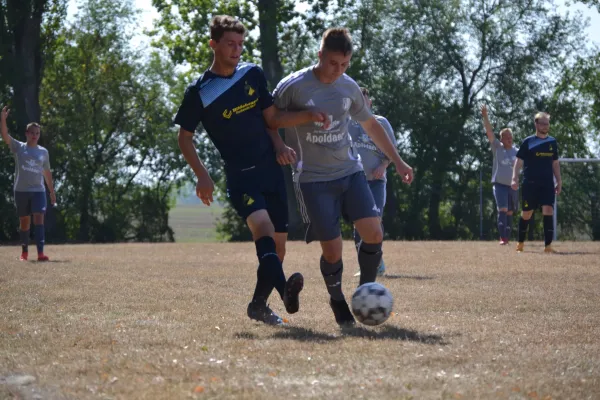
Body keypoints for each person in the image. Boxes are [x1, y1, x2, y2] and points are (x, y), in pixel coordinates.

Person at [173, 15, 328, 325]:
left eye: (241, 44)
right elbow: (184, 138)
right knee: (264, 231)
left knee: (278, 248)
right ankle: (285, 290)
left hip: (272, 171)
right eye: (230, 43)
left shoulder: (252, 75)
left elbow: (270, 119)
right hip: (241, 176)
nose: (237, 50)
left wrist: (305, 118)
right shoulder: (199, 91)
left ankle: (258, 305)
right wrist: (202, 174)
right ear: (213, 44)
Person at [272, 27, 414, 327]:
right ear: (320, 54)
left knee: (374, 233)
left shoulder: (349, 87)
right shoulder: (293, 86)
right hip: (312, 179)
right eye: (334, 63)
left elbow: (372, 126)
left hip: (350, 172)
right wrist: (282, 143)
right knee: (333, 250)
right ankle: (337, 302)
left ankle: (366, 291)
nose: (339, 70)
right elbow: (271, 120)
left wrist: (398, 162)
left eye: (345, 65)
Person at [349, 87, 396, 276]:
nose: (360, 102)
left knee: (374, 222)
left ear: (369, 103)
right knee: (359, 224)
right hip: (355, 182)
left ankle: (376, 262)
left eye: (364, 99)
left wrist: (383, 165)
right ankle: (367, 265)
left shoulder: (381, 123)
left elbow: (392, 151)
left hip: (376, 182)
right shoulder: (348, 124)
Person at [1, 106, 56, 261]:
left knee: (39, 218)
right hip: (21, 190)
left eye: (37, 133)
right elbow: (5, 135)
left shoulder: (43, 152)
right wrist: (3, 119)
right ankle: (24, 252)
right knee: (25, 222)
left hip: (38, 191)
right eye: (32, 132)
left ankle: (40, 253)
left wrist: (51, 191)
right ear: (27, 134)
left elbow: (47, 172)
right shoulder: (19, 147)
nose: (34, 135)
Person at [511, 112, 561, 253]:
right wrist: (514, 178)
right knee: (527, 213)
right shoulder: (528, 142)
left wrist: (559, 180)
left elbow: (555, 163)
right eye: (543, 123)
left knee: (548, 210)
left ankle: (548, 246)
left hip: (547, 184)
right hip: (530, 183)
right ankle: (520, 243)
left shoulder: (552, 142)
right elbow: (518, 161)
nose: (546, 126)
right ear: (536, 124)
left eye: (547, 123)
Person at [481, 105, 518, 245]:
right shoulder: (497, 147)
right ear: (501, 139)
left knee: (510, 212)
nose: (509, 139)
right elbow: (489, 132)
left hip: (512, 186)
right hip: (500, 184)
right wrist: (485, 115)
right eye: (506, 137)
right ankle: (503, 238)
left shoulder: (517, 151)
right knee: (502, 209)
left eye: (511, 137)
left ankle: (507, 238)